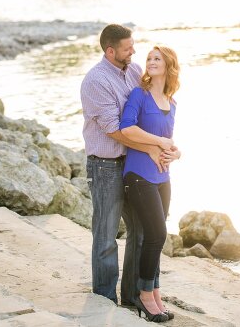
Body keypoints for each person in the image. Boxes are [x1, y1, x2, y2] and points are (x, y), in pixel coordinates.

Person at [80, 25, 179, 306]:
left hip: (134, 166)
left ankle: (134, 296)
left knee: (141, 232)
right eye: (127, 48)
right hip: (106, 166)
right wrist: (152, 147)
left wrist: (171, 148)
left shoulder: (134, 71)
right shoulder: (95, 81)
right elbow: (114, 130)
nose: (134, 52)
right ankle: (104, 299)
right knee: (107, 234)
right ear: (111, 52)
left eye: (133, 46)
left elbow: (154, 108)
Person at [120, 46, 181, 322]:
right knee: (155, 235)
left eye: (158, 58)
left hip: (162, 178)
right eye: (149, 58)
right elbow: (127, 128)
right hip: (138, 176)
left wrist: (177, 152)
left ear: (169, 65)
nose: (151, 62)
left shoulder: (172, 102)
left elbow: (169, 140)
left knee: (157, 238)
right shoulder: (139, 95)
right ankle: (144, 295)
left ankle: (155, 291)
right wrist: (159, 143)